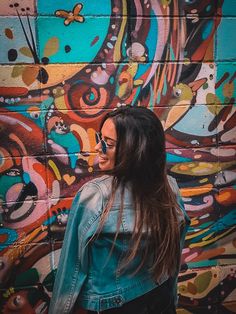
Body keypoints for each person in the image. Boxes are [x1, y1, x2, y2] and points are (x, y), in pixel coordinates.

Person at [49, 106, 190, 314]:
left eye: (109, 144)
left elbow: (71, 271)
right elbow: (173, 259)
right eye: (100, 138)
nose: (98, 147)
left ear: (133, 151)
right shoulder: (169, 187)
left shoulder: (95, 196)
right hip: (160, 300)